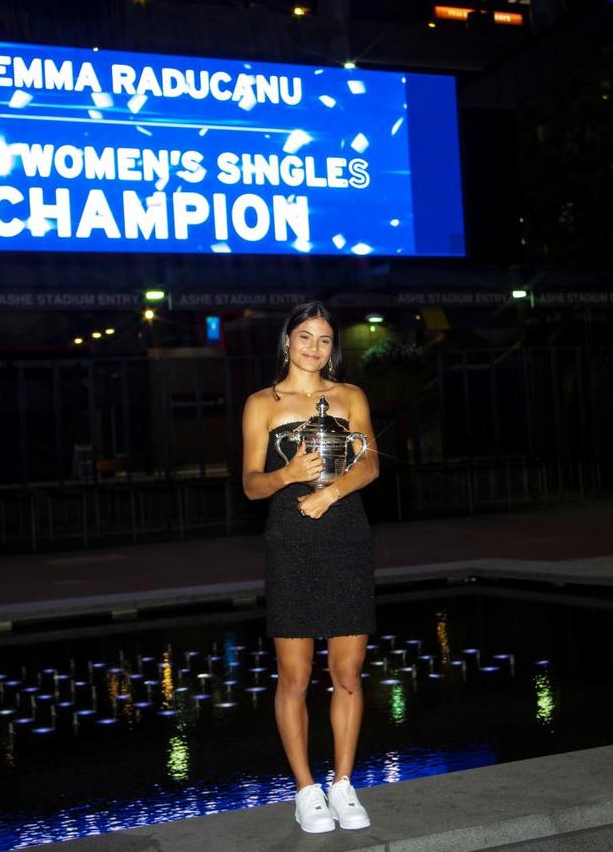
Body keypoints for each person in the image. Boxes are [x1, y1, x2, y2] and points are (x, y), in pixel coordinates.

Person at [240, 301, 379, 833]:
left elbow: (369, 462)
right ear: (287, 340)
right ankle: (305, 790)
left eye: (323, 339)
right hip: (290, 536)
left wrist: (333, 491)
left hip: (346, 533)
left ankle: (344, 784)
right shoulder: (261, 404)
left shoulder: (350, 397)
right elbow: (251, 483)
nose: (314, 348)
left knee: (346, 675)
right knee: (295, 676)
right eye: (305, 337)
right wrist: (289, 474)